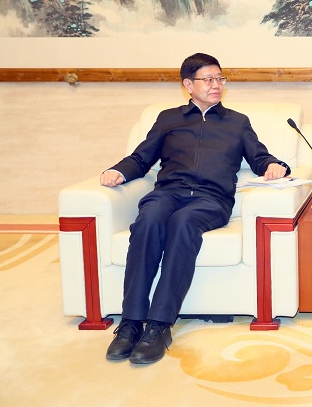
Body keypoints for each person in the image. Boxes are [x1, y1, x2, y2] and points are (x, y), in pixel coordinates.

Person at [101, 53, 290, 365]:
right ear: (188, 85)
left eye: (220, 78)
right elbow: (141, 157)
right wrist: (118, 171)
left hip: (211, 199)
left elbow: (259, 156)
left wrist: (273, 165)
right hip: (168, 193)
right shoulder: (168, 119)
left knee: (183, 222)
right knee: (148, 220)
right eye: (208, 79)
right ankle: (131, 323)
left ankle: (159, 326)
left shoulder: (237, 122)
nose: (217, 85)